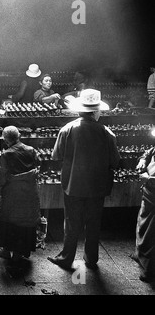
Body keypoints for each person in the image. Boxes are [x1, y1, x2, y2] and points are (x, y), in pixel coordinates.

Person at [47, 89, 120, 270]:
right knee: (94, 222)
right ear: (95, 111)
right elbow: (115, 162)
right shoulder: (108, 133)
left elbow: (56, 157)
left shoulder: (67, 129)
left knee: (71, 223)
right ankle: (91, 258)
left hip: (73, 186)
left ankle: (66, 258)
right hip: (97, 188)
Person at [0, 126, 41, 264]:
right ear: (19, 136)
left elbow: (3, 176)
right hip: (29, 191)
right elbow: (38, 166)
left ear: (5, 139)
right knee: (26, 219)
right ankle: (21, 252)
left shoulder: (6, 154)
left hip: (13, 192)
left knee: (8, 219)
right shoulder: (31, 150)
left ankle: (6, 250)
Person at [130, 145, 155, 283]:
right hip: (149, 193)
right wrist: (143, 160)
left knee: (151, 233)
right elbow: (149, 152)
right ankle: (140, 254)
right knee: (142, 225)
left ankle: (150, 270)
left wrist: (150, 178)